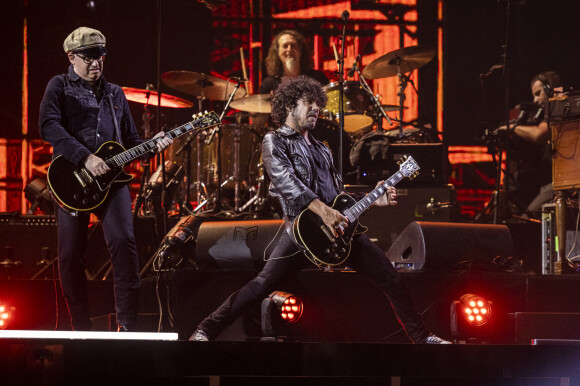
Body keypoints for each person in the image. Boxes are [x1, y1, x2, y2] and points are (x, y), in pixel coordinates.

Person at [191, 75, 450, 344]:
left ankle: (422, 338)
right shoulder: (274, 141)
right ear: (290, 105)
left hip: (337, 233)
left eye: (318, 103)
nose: (316, 108)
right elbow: (286, 182)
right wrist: (321, 211)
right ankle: (205, 330)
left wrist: (374, 198)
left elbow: (336, 197)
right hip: (301, 233)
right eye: (309, 102)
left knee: (390, 277)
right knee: (261, 285)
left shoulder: (322, 149)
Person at [39, 27, 173, 331]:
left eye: (100, 56)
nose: (96, 63)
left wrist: (152, 146)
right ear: (71, 57)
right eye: (88, 57)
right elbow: (48, 125)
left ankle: (126, 323)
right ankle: (81, 325)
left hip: (111, 183)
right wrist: (85, 157)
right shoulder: (59, 86)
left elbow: (130, 142)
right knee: (71, 254)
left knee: (124, 242)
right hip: (71, 179)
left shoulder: (115, 93)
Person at [497, 71, 562, 217]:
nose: (535, 100)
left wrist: (512, 127)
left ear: (550, 89)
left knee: (528, 218)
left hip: (558, 181)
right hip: (549, 180)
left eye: (538, 93)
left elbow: (538, 134)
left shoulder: (558, 106)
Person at [259, 30, 329, 95]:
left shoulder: (318, 78)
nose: (289, 49)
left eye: (293, 45)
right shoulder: (268, 85)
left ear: (301, 50)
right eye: (285, 46)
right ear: (277, 52)